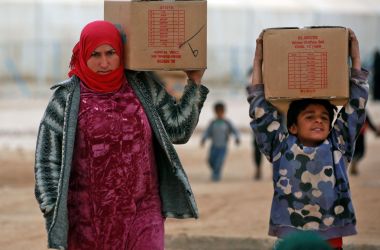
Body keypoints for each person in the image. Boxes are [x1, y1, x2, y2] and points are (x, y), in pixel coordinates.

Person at [34, 20, 208, 250]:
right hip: (87, 221)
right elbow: (46, 160)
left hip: (143, 215)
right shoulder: (65, 100)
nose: (104, 62)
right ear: (83, 53)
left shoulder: (143, 86)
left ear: (121, 52)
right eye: (95, 54)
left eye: (111, 53)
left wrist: (194, 82)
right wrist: (52, 210)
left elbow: (178, 130)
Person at [247, 28, 368, 250]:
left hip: (330, 237)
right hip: (290, 235)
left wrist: (355, 56)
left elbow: (356, 104)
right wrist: (258, 59)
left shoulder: (338, 145)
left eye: (324, 117)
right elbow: (259, 108)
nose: (319, 121)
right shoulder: (280, 147)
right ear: (292, 126)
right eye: (309, 116)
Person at [201, 101, 240, 181]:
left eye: (221, 112)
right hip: (214, 146)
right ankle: (215, 170)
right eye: (217, 112)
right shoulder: (213, 122)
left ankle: (216, 176)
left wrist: (237, 138)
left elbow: (234, 131)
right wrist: (204, 139)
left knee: (219, 162)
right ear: (215, 112)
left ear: (224, 112)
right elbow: (207, 132)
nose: (219, 113)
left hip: (223, 147)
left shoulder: (227, 122)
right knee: (210, 161)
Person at [350, 111, 380, 175]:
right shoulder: (363, 111)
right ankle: (354, 162)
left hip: (353, 136)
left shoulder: (351, 111)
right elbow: (369, 123)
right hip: (360, 135)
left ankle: (354, 162)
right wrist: (376, 131)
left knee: (354, 152)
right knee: (361, 152)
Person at [247, 67, 264, 180]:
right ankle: (258, 170)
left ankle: (275, 171)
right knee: (257, 147)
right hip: (258, 121)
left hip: (274, 121)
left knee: (278, 148)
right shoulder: (250, 89)